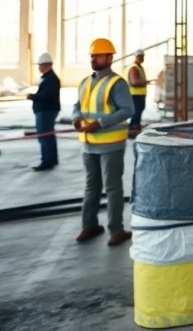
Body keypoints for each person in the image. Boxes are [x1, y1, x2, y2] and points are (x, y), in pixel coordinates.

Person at [72, 38, 135, 247]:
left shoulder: (117, 83)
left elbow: (128, 110)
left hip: (110, 144)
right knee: (91, 187)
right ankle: (89, 226)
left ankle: (116, 230)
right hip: (88, 144)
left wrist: (99, 123)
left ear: (109, 58)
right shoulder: (85, 82)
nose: (93, 59)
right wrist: (76, 118)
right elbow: (78, 105)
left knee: (112, 188)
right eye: (92, 56)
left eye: (97, 55)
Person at [27, 52, 61, 171]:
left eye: (40, 65)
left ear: (47, 65)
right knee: (49, 135)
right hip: (46, 111)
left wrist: (33, 97)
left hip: (46, 111)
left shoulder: (51, 79)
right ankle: (51, 159)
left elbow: (47, 96)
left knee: (44, 136)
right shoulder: (48, 78)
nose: (39, 67)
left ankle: (47, 161)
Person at [127, 49, 149, 137]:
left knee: (139, 111)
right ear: (136, 57)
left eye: (142, 57)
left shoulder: (139, 67)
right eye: (140, 57)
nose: (142, 58)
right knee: (136, 112)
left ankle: (135, 127)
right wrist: (146, 82)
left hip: (139, 94)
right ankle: (133, 129)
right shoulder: (134, 68)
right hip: (135, 95)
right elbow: (134, 82)